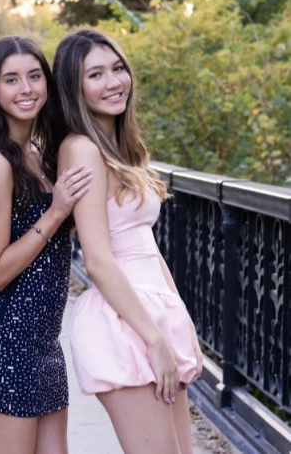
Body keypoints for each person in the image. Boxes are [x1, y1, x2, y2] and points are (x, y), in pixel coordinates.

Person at [53, 29, 204, 454]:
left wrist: (181, 323)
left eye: (118, 68)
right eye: (96, 74)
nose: (114, 81)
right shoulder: (81, 148)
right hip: (123, 321)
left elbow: (147, 245)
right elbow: (98, 261)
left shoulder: (121, 145)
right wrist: (155, 339)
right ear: (74, 88)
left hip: (154, 310)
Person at [0, 36, 92, 454]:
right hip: (8, 340)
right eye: (11, 79)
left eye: (35, 76)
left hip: (44, 340)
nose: (26, 89)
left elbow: (54, 247)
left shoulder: (40, 153)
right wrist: (56, 211)